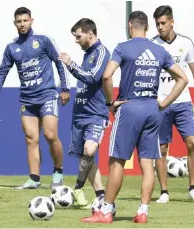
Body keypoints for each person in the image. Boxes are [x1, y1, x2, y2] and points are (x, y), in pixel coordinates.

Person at [80, 11, 188, 224]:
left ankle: (107, 211)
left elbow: (107, 76)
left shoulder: (123, 47)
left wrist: (111, 103)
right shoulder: (159, 50)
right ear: (147, 28)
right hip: (152, 109)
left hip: (129, 107)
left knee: (116, 161)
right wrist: (164, 103)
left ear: (130, 26)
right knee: (147, 163)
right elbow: (183, 78)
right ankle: (142, 212)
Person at [0, 7, 70, 189]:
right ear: (14, 23)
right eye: (19, 21)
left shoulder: (43, 40)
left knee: (50, 134)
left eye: (25, 20)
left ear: (32, 20)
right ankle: (34, 178)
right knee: (31, 138)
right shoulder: (12, 47)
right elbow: (2, 72)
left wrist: (65, 88)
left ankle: (58, 172)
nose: (22, 24)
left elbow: (60, 62)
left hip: (47, 95)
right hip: (27, 99)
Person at [151, 5, 194, 203]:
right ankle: (164, 191)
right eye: (157, 24)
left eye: (163, 23)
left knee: (192, 142)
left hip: (183, 102)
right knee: (162, 148)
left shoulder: (186, 43)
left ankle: (192, 188)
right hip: (160, 104)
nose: (160, 27)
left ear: (172, 22)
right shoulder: (153, 45)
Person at [58, 18, 110, 208]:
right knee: (86, 158)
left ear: (90, 34)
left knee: (89, 150)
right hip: (79, 113)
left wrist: (71, 65)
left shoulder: (102, 52)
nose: (76, 40)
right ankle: (100, 195)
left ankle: (78, 187)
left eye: (78, 36)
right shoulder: (87, 53)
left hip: (96, 113)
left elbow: (93, 77)